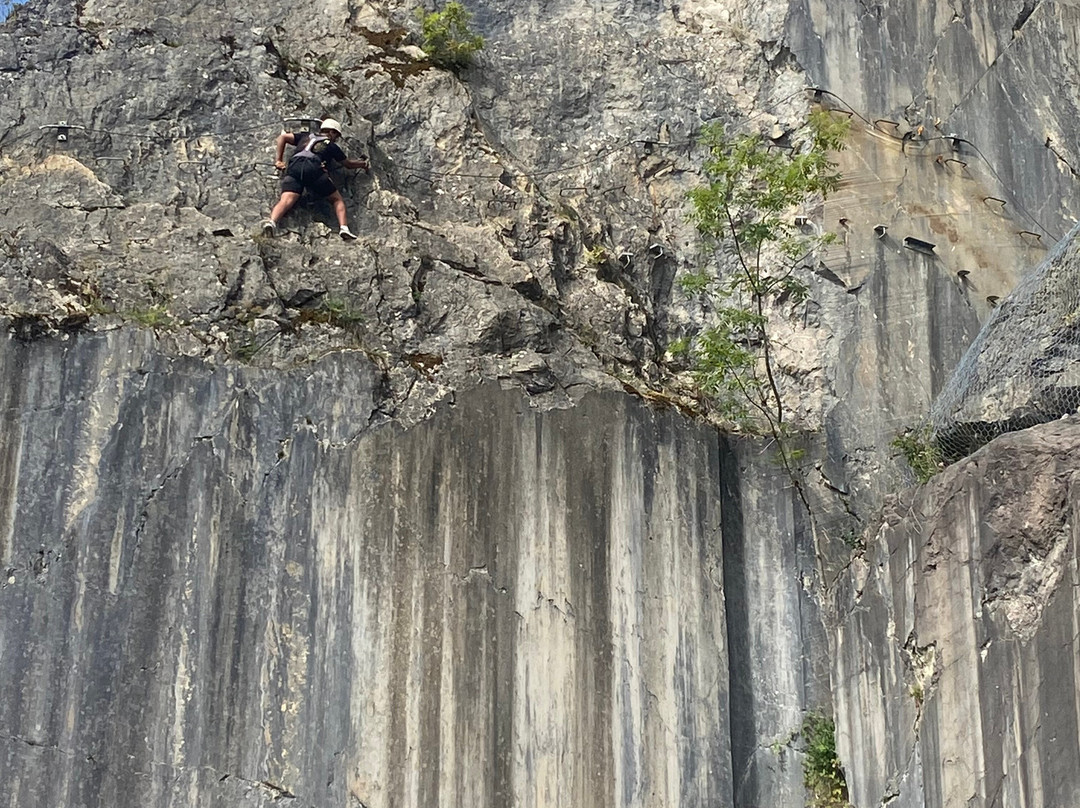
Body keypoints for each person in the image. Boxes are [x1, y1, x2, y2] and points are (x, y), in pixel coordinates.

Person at [262, 118, 369, 240]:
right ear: (332, 132)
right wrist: (363, 164)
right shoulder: (331, 145)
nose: (336, 139)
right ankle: (344, 228)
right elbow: (348, 164)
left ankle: (272, 222)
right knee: (336, 199)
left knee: (286, 199)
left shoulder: (306, 136)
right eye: (336, 136)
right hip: (314, 168)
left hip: (294, 167)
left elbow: (283, 137)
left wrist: (279, 160)